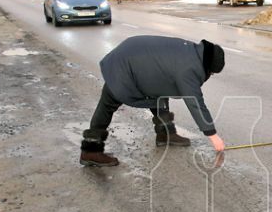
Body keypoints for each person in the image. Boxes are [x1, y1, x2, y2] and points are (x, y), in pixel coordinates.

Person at [80, 36, 226, 167]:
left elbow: (162, 74)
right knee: (107, 104)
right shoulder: (189, 68)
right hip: (124, 65)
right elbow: (195, 102)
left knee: (160, 94)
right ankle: (91, 150)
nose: (210, 75)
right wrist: (212, 135)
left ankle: (165, 134)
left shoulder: (192, 50)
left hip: (132, 53)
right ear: (208, 66)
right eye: (212, 73)